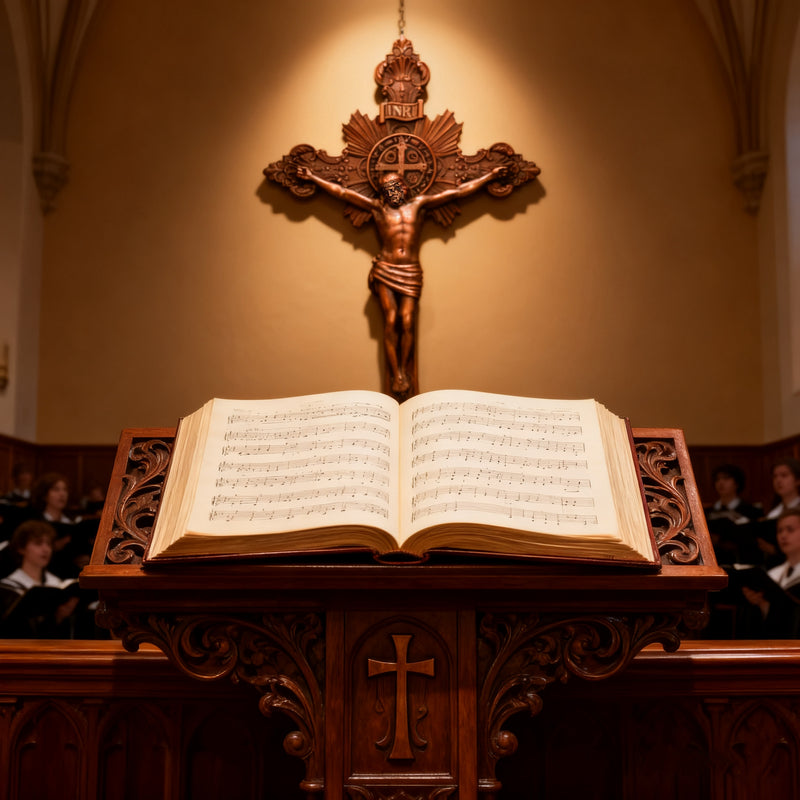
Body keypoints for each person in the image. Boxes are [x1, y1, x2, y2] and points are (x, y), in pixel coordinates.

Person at [295, 165, 508, 398]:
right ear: (381, 192)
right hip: (386, 268)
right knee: (390, 319)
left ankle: (405, 370)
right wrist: (313, 178)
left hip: (411, 269)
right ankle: (397, 374)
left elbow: (457, 192)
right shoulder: (378, 209)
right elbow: (343, 193)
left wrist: (490, 177)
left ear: (405, 188)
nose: (392, 191)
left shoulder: (419, 206)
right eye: (387, 188)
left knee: (407, 321)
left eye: (396, 186)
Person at [0, 520, 80, 637]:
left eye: (48, 544)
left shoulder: (58, 584)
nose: (45, 549)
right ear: (21, 549)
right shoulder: (7, 587)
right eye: (38, 543)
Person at [738, 508, 800, 637]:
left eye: (790, 530)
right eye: (779, 531)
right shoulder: (773, 574)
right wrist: (762, 605)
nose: (783, 535)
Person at [704, 463, 761, 564]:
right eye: (717, 479)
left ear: (737, 483)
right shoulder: (706, 513)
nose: (721, 483)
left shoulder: (751, 511)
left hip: (743, 562)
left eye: (726, 479)